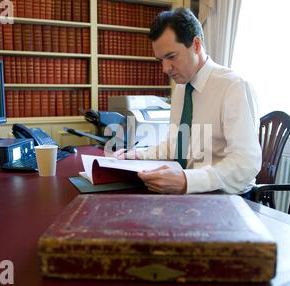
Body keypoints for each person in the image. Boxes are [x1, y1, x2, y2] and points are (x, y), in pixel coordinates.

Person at [112, 8, 262, 195]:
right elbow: (175, 145)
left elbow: (245, 163)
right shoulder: (181, 90)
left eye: (172, 57)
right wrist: (137, 155)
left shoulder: (233, 87)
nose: (165, 68)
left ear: (196, 45)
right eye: (161, 60)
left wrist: (187, 181)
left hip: (227, 196)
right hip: (191, 192)